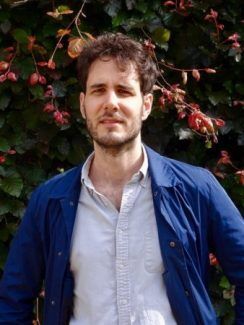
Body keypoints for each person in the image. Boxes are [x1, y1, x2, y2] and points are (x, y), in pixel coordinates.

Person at [0, 32, 243, 325]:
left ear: (147, 105)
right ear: (82, 104)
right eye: (98, 90)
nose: (110, 102)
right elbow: (12, 302)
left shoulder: (196, 189)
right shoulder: (49, 200)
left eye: (124, 91)